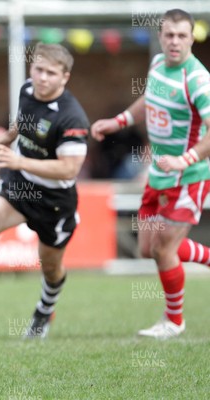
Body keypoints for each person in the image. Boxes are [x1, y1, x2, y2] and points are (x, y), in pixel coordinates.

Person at [0, 43, 90, 339]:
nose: (42, 77)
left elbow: (69, 169)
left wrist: (17, 158)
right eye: (38, 69)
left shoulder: (72, 118)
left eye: (51, 73)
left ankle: (45, 310)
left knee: (50, 267)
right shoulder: (27, 89)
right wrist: (7, 139)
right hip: (19, 186)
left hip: (54, 202)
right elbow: (22, 122)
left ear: (65, 77)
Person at [91, 9, 210, 339]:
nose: (174, 41)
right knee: (148, 248)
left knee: (164, 250)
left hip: (189, 176)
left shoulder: (198, 80)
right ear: (160, 36)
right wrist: (119, 121)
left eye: (181, 36)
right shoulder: (158, 65)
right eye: (169, 35)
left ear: (192, 37)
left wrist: (185, 159)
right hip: (159, 174)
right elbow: (149, 100)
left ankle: (174, 321)